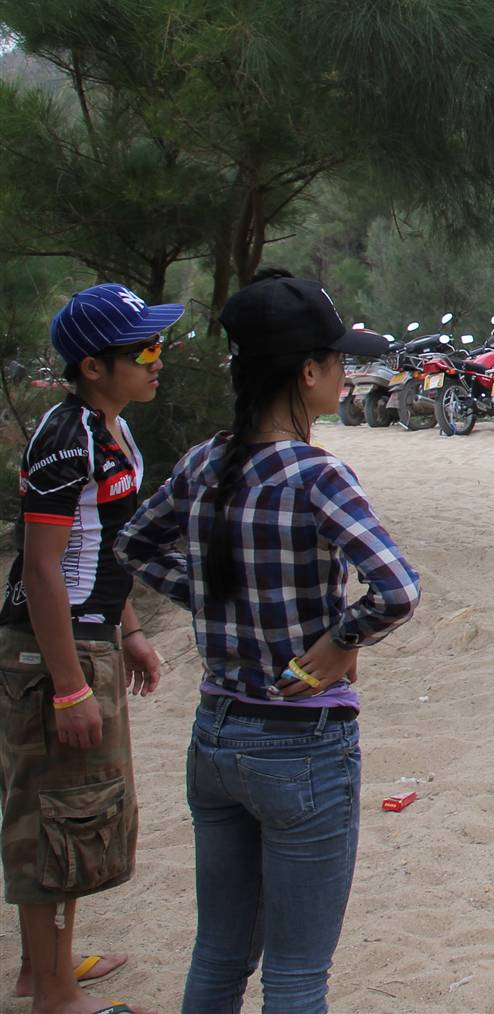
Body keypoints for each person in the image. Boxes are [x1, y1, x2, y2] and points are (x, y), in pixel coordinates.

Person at [113, 270, 420, 1013]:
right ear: (308, 372)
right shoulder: (317, 476)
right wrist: (341, 641)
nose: (346, 373)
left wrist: (209, 597)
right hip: (301, 743)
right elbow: (398, 589)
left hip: (216, 737)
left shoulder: (201, 462)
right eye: (339, 360)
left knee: (219, 954)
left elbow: (133, 545)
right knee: (296, 976)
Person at [5, 284, 180, 1014]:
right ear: (92, 366)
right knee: (57, 814)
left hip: (90, 636)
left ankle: (42, 970)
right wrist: (69, 684)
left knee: (78, 808)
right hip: (54, 649)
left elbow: (106, 547)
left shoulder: (112, 429)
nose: (158, 360)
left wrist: (130, 630)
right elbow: (41, 568)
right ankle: (54, 995)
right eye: (144, 349)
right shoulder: (67, 439)